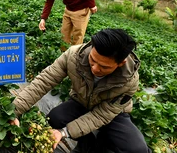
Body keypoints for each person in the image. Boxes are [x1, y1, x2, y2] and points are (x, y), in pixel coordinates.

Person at [11, 28, 151, 153]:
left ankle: (101, 143)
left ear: (121, 63)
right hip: (81, 102)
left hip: (112, 114)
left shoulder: (129, 80)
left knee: (137, 148)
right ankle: (88, 146)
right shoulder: (73, 56)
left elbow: (101, 115)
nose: (95, 68)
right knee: (55, 118)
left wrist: (64, 132)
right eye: (92, 60)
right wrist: (14, 111)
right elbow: (43, 82)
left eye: (104, 66)